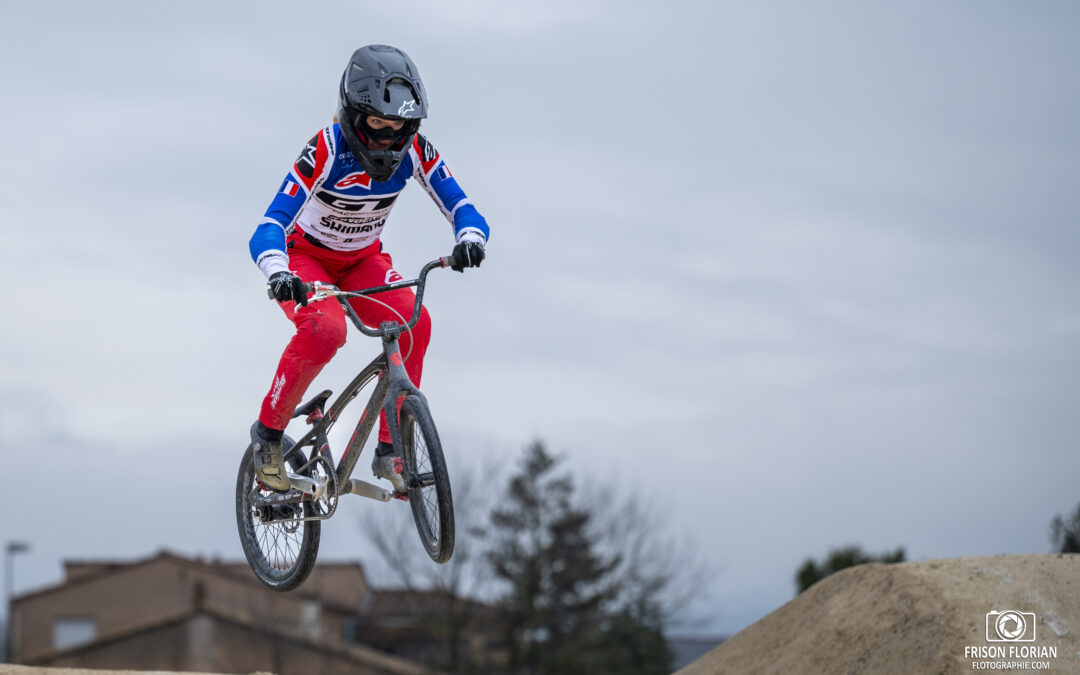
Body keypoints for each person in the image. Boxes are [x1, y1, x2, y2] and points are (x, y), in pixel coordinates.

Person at [247, 44, 488, 493]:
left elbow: (464, 206)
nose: (386, 139)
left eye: (398, 127)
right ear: (354, 116)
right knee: (326, 330)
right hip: (306, 259)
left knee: (416, 324)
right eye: (377, 124)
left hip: (362, 262)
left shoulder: (415, 150)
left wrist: (470, 238)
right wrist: (278, 271)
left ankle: (389, 450)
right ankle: (268, 433)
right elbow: (269, 225)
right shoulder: (324, 148)